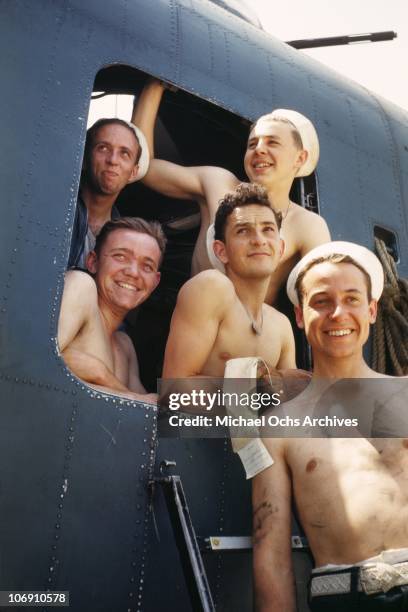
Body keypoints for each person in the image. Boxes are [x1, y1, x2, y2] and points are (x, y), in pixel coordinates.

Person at [252, 241, 408, 611]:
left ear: (371, 310)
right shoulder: (276, 428)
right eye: (321, 301)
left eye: (352, 299)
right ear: (301, 316)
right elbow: (269, 549)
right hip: (345, 601)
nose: (338, 313)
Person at [133, 78, 330, 304]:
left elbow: (324, 294)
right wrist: (154, 86)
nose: (260, 150)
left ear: (300, 158)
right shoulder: (217, 181)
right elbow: (144, 168)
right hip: (192, 326)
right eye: (252, 144)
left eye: (272, 143)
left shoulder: (308, 225)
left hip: (248, 335)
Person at [162, 183, 296, 381]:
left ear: (281, 248)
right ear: (221, 251)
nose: (259, 240)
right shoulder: (211, 287)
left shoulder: (282, 325)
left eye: (268, 229)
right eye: (243, 231)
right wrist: (264, 383)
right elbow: (175, 388)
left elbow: (290, 404)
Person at [59, 217, 165, 403]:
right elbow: (35, 358)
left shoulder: (125, 346)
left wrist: (102, 375)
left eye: (146, 266)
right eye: (120, 256)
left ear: (155, 283)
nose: (133, 272)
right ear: (92, 261)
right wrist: (102, 376)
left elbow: (146, 407)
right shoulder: (81, 286)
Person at [68, 118, 149, 268]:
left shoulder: (124, 235)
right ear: (85, 158)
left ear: (133, 172)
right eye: (103, 148)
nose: (113, 160)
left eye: (124, 153)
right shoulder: (59, 209)